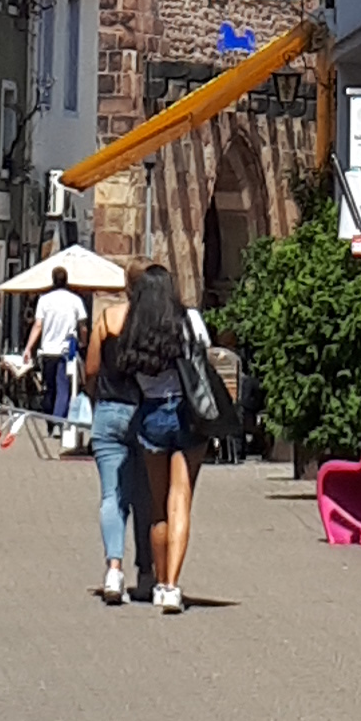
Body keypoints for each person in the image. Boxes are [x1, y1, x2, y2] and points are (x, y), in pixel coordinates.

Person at [123, 263, 207, 614]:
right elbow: (204, 353)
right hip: (186, 412)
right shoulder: (187, 321)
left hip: (151, 413)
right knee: (180, 500)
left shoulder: (134, 325)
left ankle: (159, 584)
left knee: (157, 506)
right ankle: (172, 586)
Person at [86, 273, 156, 606]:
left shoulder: (107, 318)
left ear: (127, 286)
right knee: (145, 496)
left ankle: (113, 570)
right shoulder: (155, 323)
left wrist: (94, 398)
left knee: (111, 495)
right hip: (144, 411)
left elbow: (91, 368)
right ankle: (146, 572)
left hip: (109, 409)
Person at [24, 262, 89, 431]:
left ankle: (50, 421)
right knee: (63, 388)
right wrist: (84, 342)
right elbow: (83, 326)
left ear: (52, 280)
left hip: (47, 351)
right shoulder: (75, 300)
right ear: (66, 280)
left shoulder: (44, 300)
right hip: (65, 350)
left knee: (49, 388)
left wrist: (28, 347)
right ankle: (58, 421)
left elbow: (38, 325)